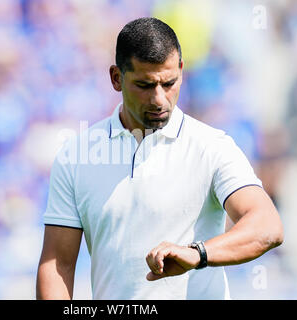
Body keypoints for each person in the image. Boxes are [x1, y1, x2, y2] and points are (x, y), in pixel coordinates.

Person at [36, 17, 283, 300]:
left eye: (169, 83)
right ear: (116, 78)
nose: (159, 100)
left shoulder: (213, 147)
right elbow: (57, 264)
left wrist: (199, 254)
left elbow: (267, 226)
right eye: (145, 85)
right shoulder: (76, 155)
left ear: (181, 70)